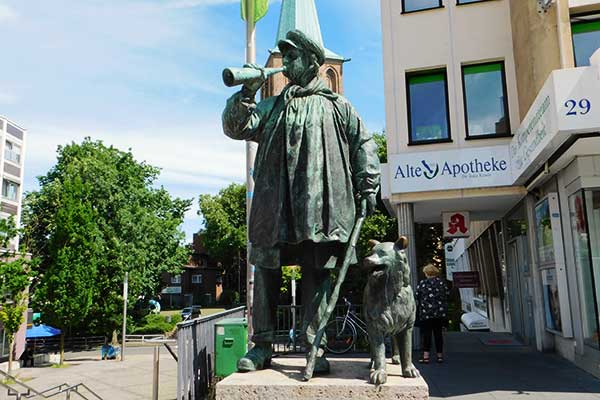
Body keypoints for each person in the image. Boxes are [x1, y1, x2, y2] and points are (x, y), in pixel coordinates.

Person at [222, 29, 380, 373]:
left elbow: (363, 144)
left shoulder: (338, 106)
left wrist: (368, 186)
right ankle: (262, 345)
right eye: (286, 56)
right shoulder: (274, 105)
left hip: (320, 206)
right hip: (274, 204)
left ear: (312, 62)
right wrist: (245, 96)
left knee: (317, 273)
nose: (287, 63)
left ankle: (314, 345)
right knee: (266, 269)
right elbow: (237, 127)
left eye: (292, 56)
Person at [415, 264, 449, 363]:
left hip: (426, 314)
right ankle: (440, 356)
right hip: (439, 314)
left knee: (427, 335)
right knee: (438, 334)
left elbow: (417, 296)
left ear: (426, 273)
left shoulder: (423, 283)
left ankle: (426, 357)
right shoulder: (441, 283)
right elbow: (447, 295)